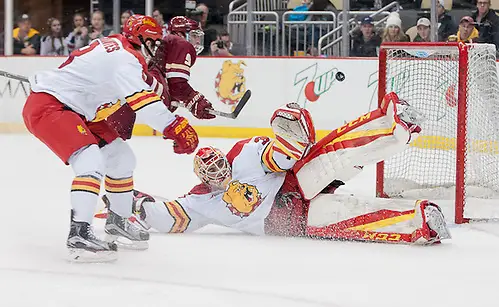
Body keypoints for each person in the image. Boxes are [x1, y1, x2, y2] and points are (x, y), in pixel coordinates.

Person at [123, 96, 451, 245]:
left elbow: (281, 157)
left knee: (337, 156)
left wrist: (292, 136)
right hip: (290, 223)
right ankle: (421, 223)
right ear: (202, 180)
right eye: (211, 173)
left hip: (294, 185)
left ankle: (394, 124)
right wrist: (134, 204)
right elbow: (171, 217)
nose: (219, 173)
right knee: (353, 213)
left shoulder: (244, 155)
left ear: (226, 159)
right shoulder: (199, 202)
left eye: (220, 165)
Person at [22, 15, 199, 263]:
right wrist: (174, 126)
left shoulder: (117, 47)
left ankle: (118, 220)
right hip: (51, 106)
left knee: (121, 159)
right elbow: (144, 104)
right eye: (155, 42)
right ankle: (79, 235)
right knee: (90, 162)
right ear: (142, 39)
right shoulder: (125, 59)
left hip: (77, 109)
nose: (157, 49)